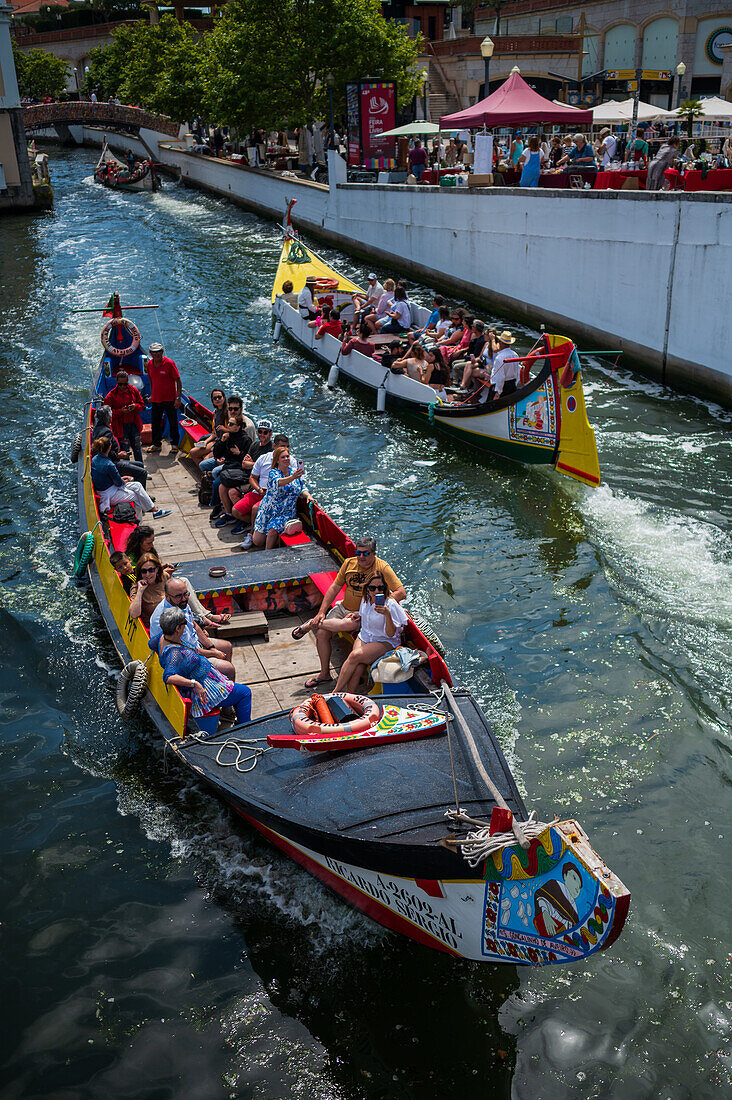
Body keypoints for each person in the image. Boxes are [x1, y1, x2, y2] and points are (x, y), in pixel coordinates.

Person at [293, 537, 406, 690]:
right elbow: (334, 588)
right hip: (346, 607)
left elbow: (401, 592)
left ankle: (310, 624)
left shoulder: (382, 568)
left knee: (350, 626)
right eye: (358, 553)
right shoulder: (349, 563)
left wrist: (379, 601)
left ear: (373, 553)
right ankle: (324, 674)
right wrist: (321, 612)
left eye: (365, 554)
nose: (361, 557)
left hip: (362, 614)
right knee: (321, 634)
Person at [151, 606, 251, 734]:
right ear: (177, 628)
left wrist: (213, 653)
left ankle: (236, 718)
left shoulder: (162, 637)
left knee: (237, 689)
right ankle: (246, 730)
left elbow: (151, 645)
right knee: (245, 693)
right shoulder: (174, 654)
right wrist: (195, 684)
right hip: (204, 690)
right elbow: (168, 676)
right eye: (184, 624)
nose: (186, 625)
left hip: (207, 678)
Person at [333, 571, 409, 692]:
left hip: (385, 641)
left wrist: (387, 614)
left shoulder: (390, 604)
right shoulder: (366, 599)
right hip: (365, 636)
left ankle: (335, 693)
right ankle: (348, 697)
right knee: (357, 667)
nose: (376, 591)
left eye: (380, 588)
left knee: (354, 656)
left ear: (385, 588)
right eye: (372, 588)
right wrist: (359, 615)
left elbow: (391, 634)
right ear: (367, 588)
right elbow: (367, 616)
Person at [149, 577, 234, 678]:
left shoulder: (181, 603)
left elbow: (194, 626)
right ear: (167, 597)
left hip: (194, 644)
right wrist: (213, 653)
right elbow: (186, 649)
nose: (184, 598)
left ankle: (222, 683)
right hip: (184, 657)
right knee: (228, 668)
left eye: (186, 594)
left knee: (227, 647)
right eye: (179, 596)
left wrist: (211, 647)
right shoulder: (167, 617)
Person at [90, 437, 166, 521]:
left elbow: (106, 478)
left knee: (137, 485)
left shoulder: (94, 460)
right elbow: (119, 483)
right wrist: (127, 480)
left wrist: (122, 479)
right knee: (135, 496)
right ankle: (139, 522)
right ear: (109, 447)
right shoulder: (109, 464)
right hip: (108, 494)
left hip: (106, 488)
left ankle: (154, 510)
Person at [231, 432, 290, 537]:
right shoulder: (263, 458)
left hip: (275, 496)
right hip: (259, 491)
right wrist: (259, 490)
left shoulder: (290, 461)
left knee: (256, 508)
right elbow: (253, 477)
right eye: (282, 447)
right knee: (236, 510)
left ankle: (252, 533)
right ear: (274, 446)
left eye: (287, 447)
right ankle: (258, 524)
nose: (285, 450)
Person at [248, 445, 305, 550]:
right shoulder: (273, 473)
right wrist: (293, 477)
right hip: (269, 510)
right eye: (283, 457)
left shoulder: (295, 472)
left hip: (286, 512)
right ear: (277, 460)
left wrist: (309, 497)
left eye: (287, 456)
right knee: (257, 541)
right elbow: (279, 482)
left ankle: (268, 553)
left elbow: (303, 487)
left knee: (272, 530)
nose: (286, 459)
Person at [92, 404, 148, 485]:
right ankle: (141, 496)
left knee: (140, 465)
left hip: (110, 460)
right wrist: (118, 455)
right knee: (142, 472)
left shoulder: (97, 428)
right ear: (109, 418)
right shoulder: (106, 432)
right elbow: (105, 452)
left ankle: (138, 490)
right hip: (113, 462)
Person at [145, 343, 182, 454]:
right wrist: (152, 394)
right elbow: (151, 380)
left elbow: (178, 381)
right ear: (150, 353)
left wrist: (178, 397)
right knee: (155, 422)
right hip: (156, 399)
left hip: (170, 399)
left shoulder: (170, 363)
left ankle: (174, 444)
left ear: (162, 352)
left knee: (173, 422)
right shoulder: (149, 364)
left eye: (159, 351)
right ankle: (156, 444)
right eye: (154, 352)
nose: (157, 354)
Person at [104, 369, 145, 461]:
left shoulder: (134, 390)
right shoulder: (111, 396)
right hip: (121, 427)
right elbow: (107, 414)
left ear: (128, 382)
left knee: (137, 449)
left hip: (134, 425)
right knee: (125, 452)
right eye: (120, 384)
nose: (122, 386)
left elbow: (142, 405)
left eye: (125, 384)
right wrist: (121, 411)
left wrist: (135, 406)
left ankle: (141, 471)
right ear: (116, 382)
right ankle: (128, 472)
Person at [188, 388, 228, 467]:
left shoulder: (228, 413)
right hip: (216, 441)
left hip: (223, 444)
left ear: (224, 397)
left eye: (219, 397)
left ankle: (206, 474)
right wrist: (205, 442)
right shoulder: (216, 413)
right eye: (215, 398)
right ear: (212, 401)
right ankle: (206, 475)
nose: (217, 399)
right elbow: (214, 434)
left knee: (205, 460)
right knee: (193, 452)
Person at [129, 553, 167, 630]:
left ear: (156, 569)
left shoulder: (164, 577)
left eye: (151, 570)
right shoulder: (136, 588)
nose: (148, 574)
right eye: (144, 571)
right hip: (157, 627)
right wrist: (140, 591)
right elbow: (134, 614)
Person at [489, 330, 521, 399]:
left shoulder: (500, 358)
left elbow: (500, 377)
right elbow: (518, 372)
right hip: (512, 385)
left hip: (501, 387)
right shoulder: (515, 355)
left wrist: (498, 393)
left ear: (501, 343)